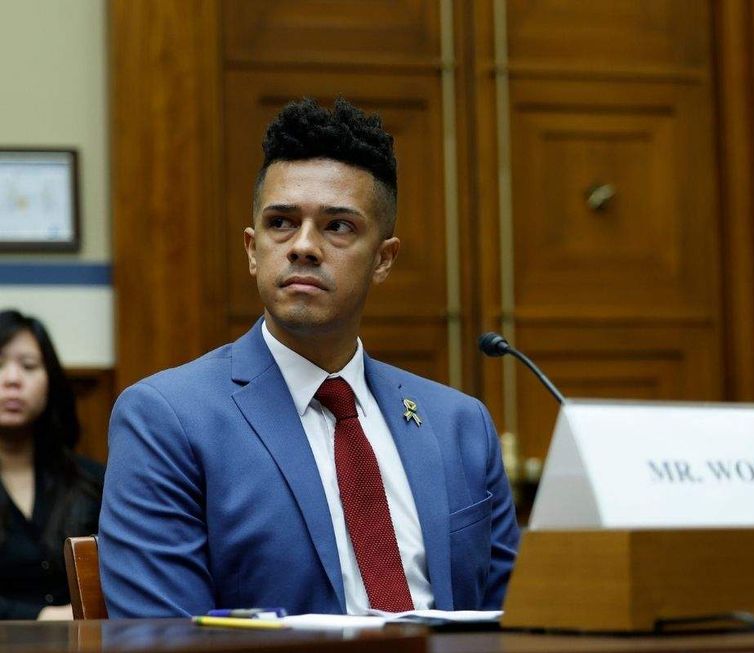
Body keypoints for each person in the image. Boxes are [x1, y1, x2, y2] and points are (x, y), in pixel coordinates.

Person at [100, 98, 520, 618]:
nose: (303, 246)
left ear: (383, 259)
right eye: (281, 222)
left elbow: (520, 618)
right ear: (252, 249)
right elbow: (161, 634)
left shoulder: (460, 423)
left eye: (337, 226)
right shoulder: (168, 419)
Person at [0, 310, 104, 620]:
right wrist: (42, 616)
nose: (12, 379)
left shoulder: (93, 480)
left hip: (86, 640)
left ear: (50, 382)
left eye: (29, 366)